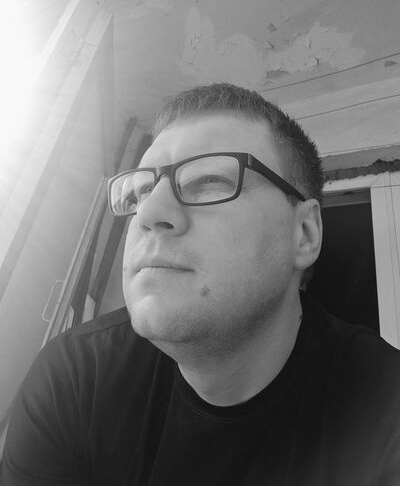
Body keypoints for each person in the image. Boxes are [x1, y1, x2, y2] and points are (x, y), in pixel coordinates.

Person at [1, 83, 400, 485]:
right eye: (142, 190)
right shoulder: (75, 378)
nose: (149, 213)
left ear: (304, 234)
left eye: (209, 180)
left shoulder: (384, 409)